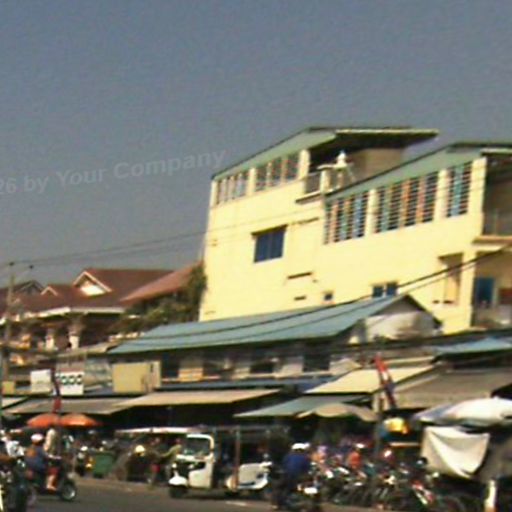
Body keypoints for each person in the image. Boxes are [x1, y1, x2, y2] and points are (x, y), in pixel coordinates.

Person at [272, 443, 311, 510]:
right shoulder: (306, 457)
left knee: (278, 488)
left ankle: (276, 504)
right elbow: (307, 469)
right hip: (299, 478)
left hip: (288, 476)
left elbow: (284, 466)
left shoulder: (288, 456)